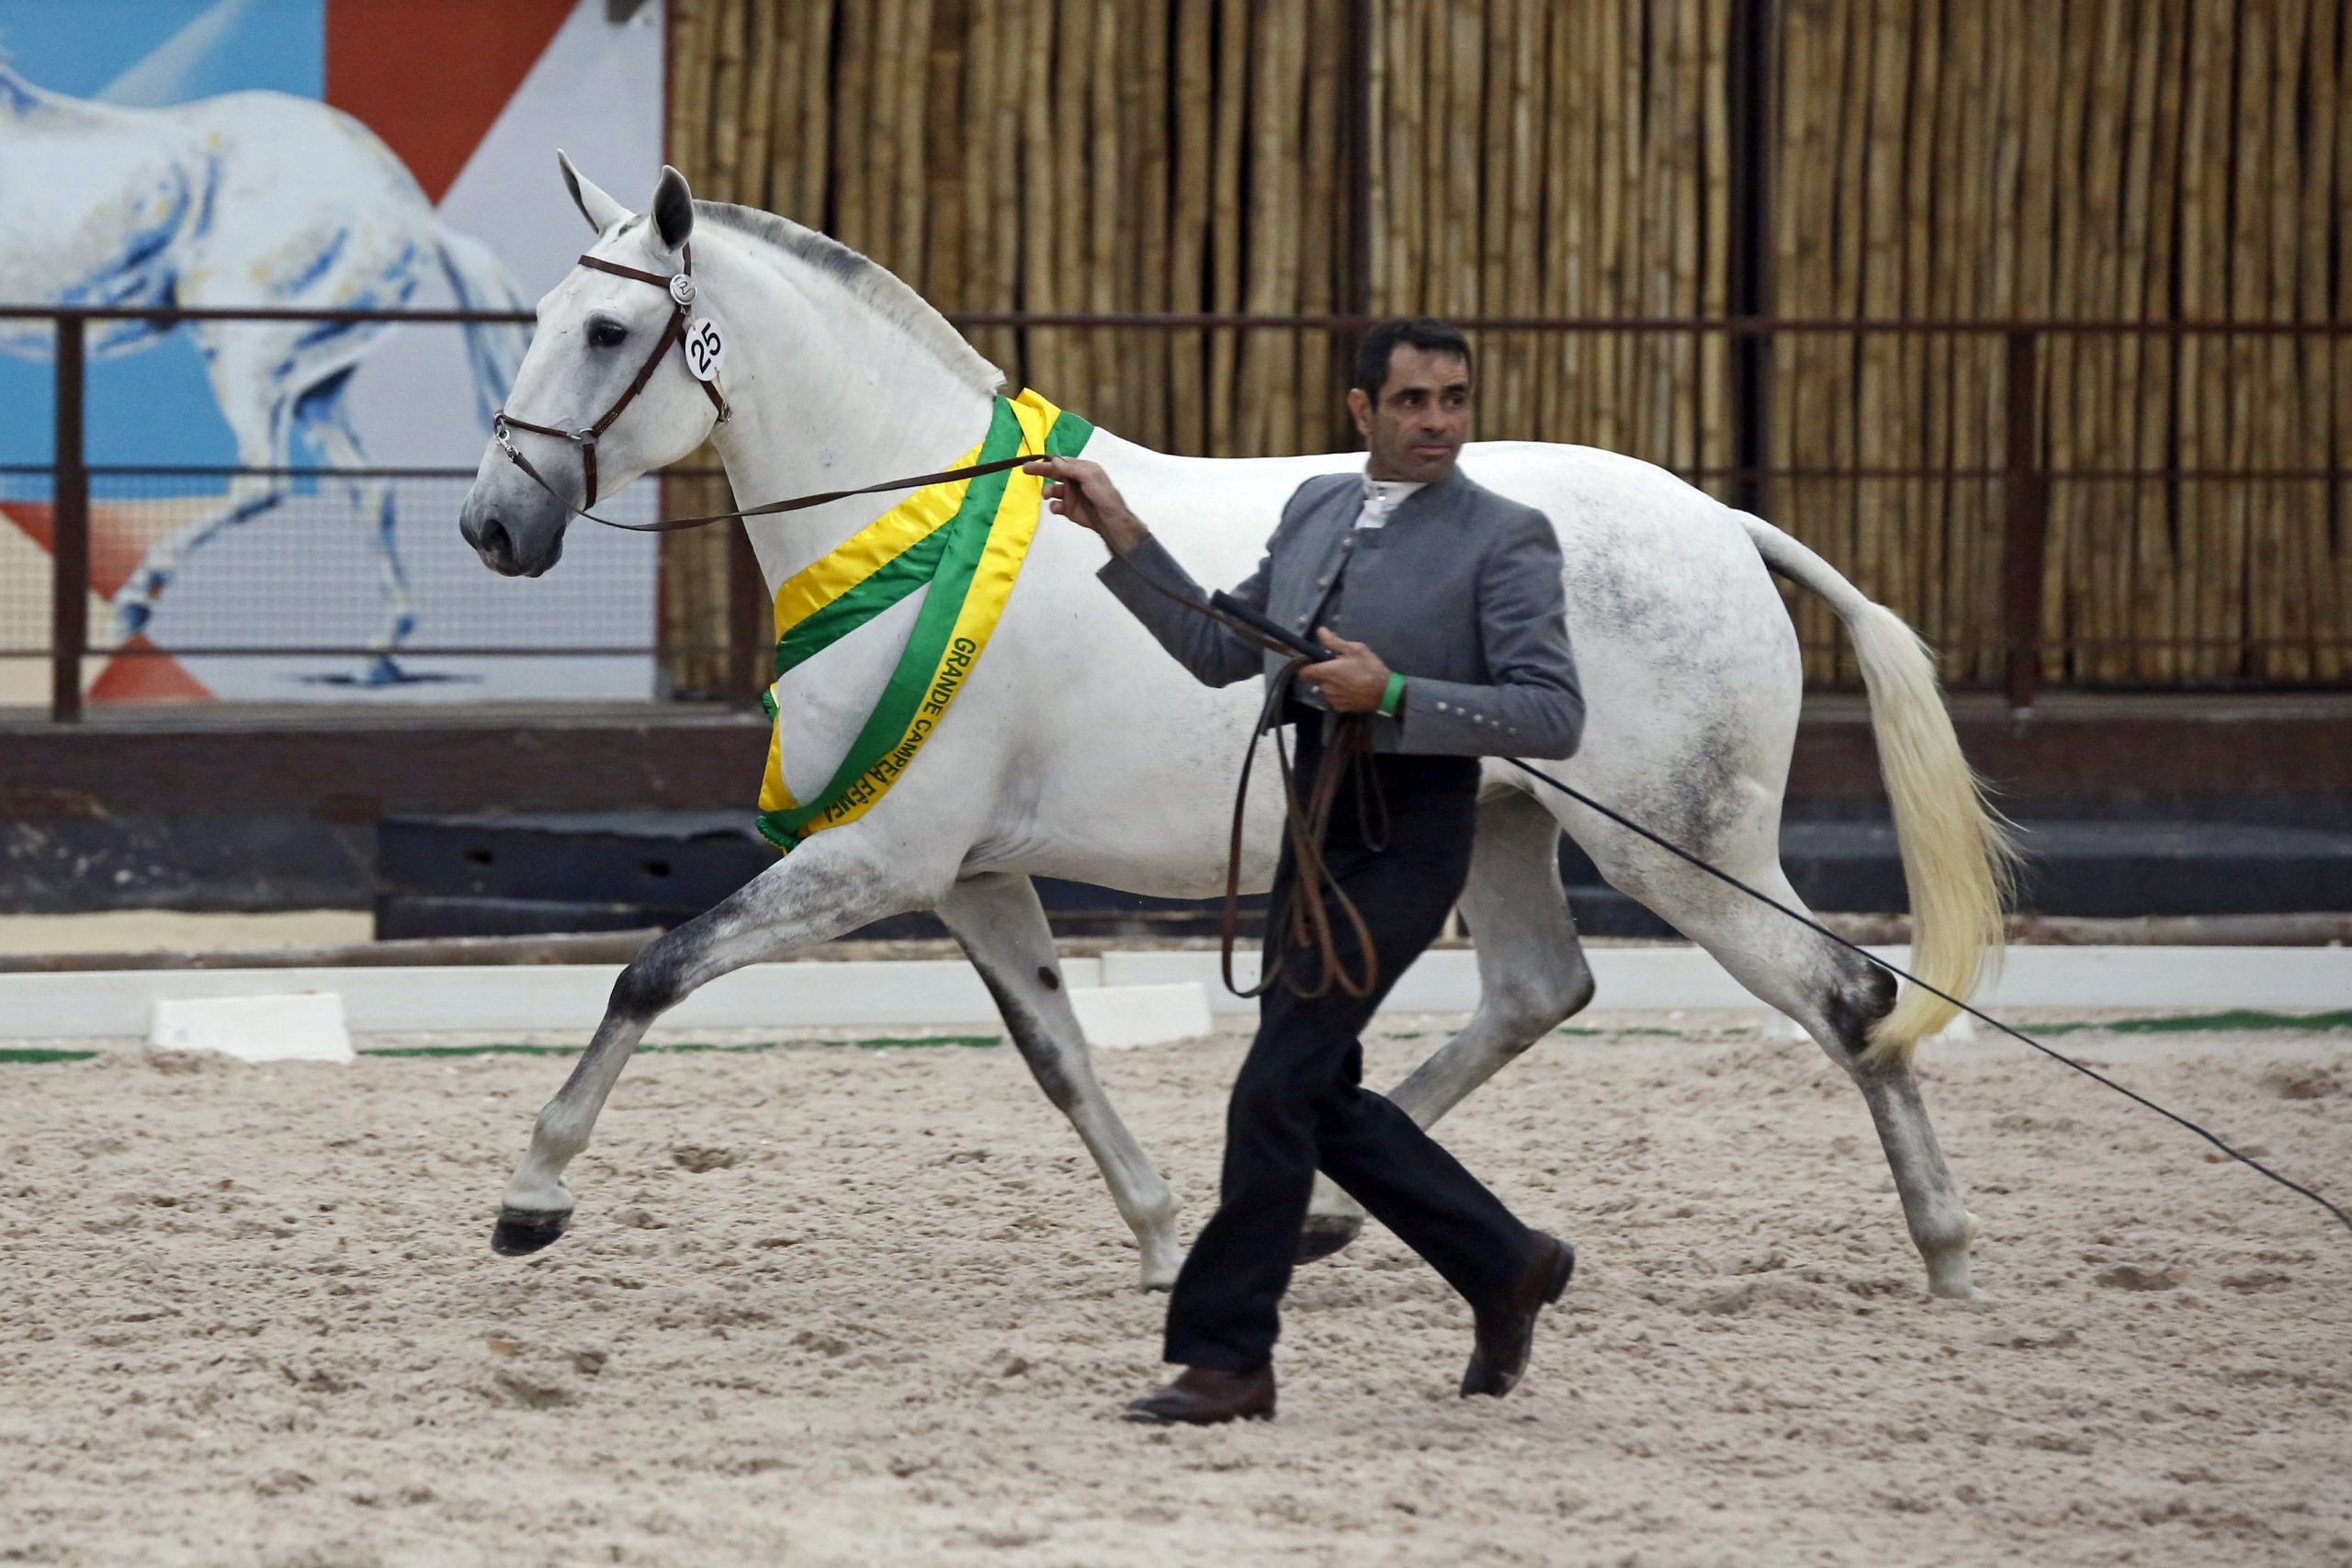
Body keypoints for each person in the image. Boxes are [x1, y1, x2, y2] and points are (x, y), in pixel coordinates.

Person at [1024, 319, 1585, 1426]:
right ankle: (1505, 1260)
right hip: (1315, 819)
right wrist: (1119, 532)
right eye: (1416, 401)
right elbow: (1223, 649)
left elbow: (1553, 715)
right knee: (1317, 1093)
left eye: (1455, 400)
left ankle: (1227, 1359)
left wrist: (1395, 696)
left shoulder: (1507, 536)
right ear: (1362, 410)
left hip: (1413, 830)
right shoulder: (1318, 507)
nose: (1439, 422)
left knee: (1274, 1088)